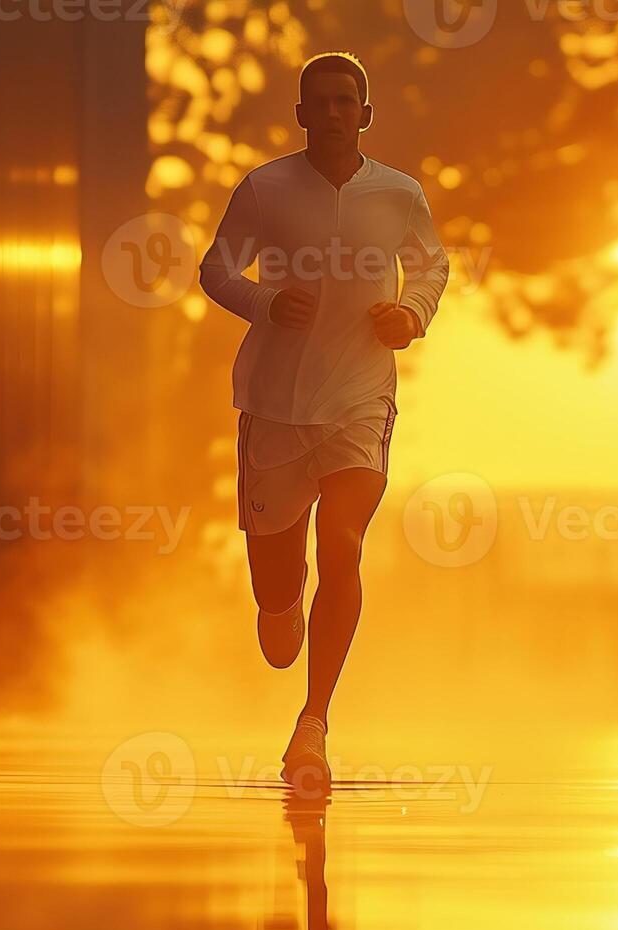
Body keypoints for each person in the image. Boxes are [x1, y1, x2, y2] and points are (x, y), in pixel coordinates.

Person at [198, 51, 450, 787]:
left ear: (366, 114)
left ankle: (312, 727)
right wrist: (266, 304)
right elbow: (216, 268)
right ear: (301, 113)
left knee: (341, 546)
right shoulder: (265, 189)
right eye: (321, 101)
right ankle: (281, 608)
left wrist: (411, 313)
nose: (335, 112)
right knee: (279, 615)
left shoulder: (399, 194)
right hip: (274, 408)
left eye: (348, 101)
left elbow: (430, 266)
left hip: (358, 403)